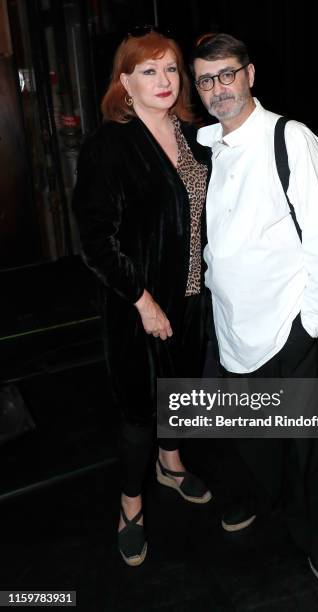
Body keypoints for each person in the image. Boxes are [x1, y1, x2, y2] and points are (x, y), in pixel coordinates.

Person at [190, 33, 318, 588]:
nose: (218, 88)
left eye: (227, 74)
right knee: (252, 436)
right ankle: (259, 499)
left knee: (305, 448)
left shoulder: (290, 139)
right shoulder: (210, 146)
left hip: (290, 328)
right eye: (206, 79)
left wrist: (312, 322)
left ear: (250, 74)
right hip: (233, 328)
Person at [72, 28, 212, 567]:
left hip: (194, 296)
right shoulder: (109, 145)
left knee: (180, 393)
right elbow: (95, 239)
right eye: (148, 70)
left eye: (171, 69)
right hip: (138, 306)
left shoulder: (194, 135)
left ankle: (170, 465)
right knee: (138, 413)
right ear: (125, 80)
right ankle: (130, 505)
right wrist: (143, 301)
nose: (163, 80)